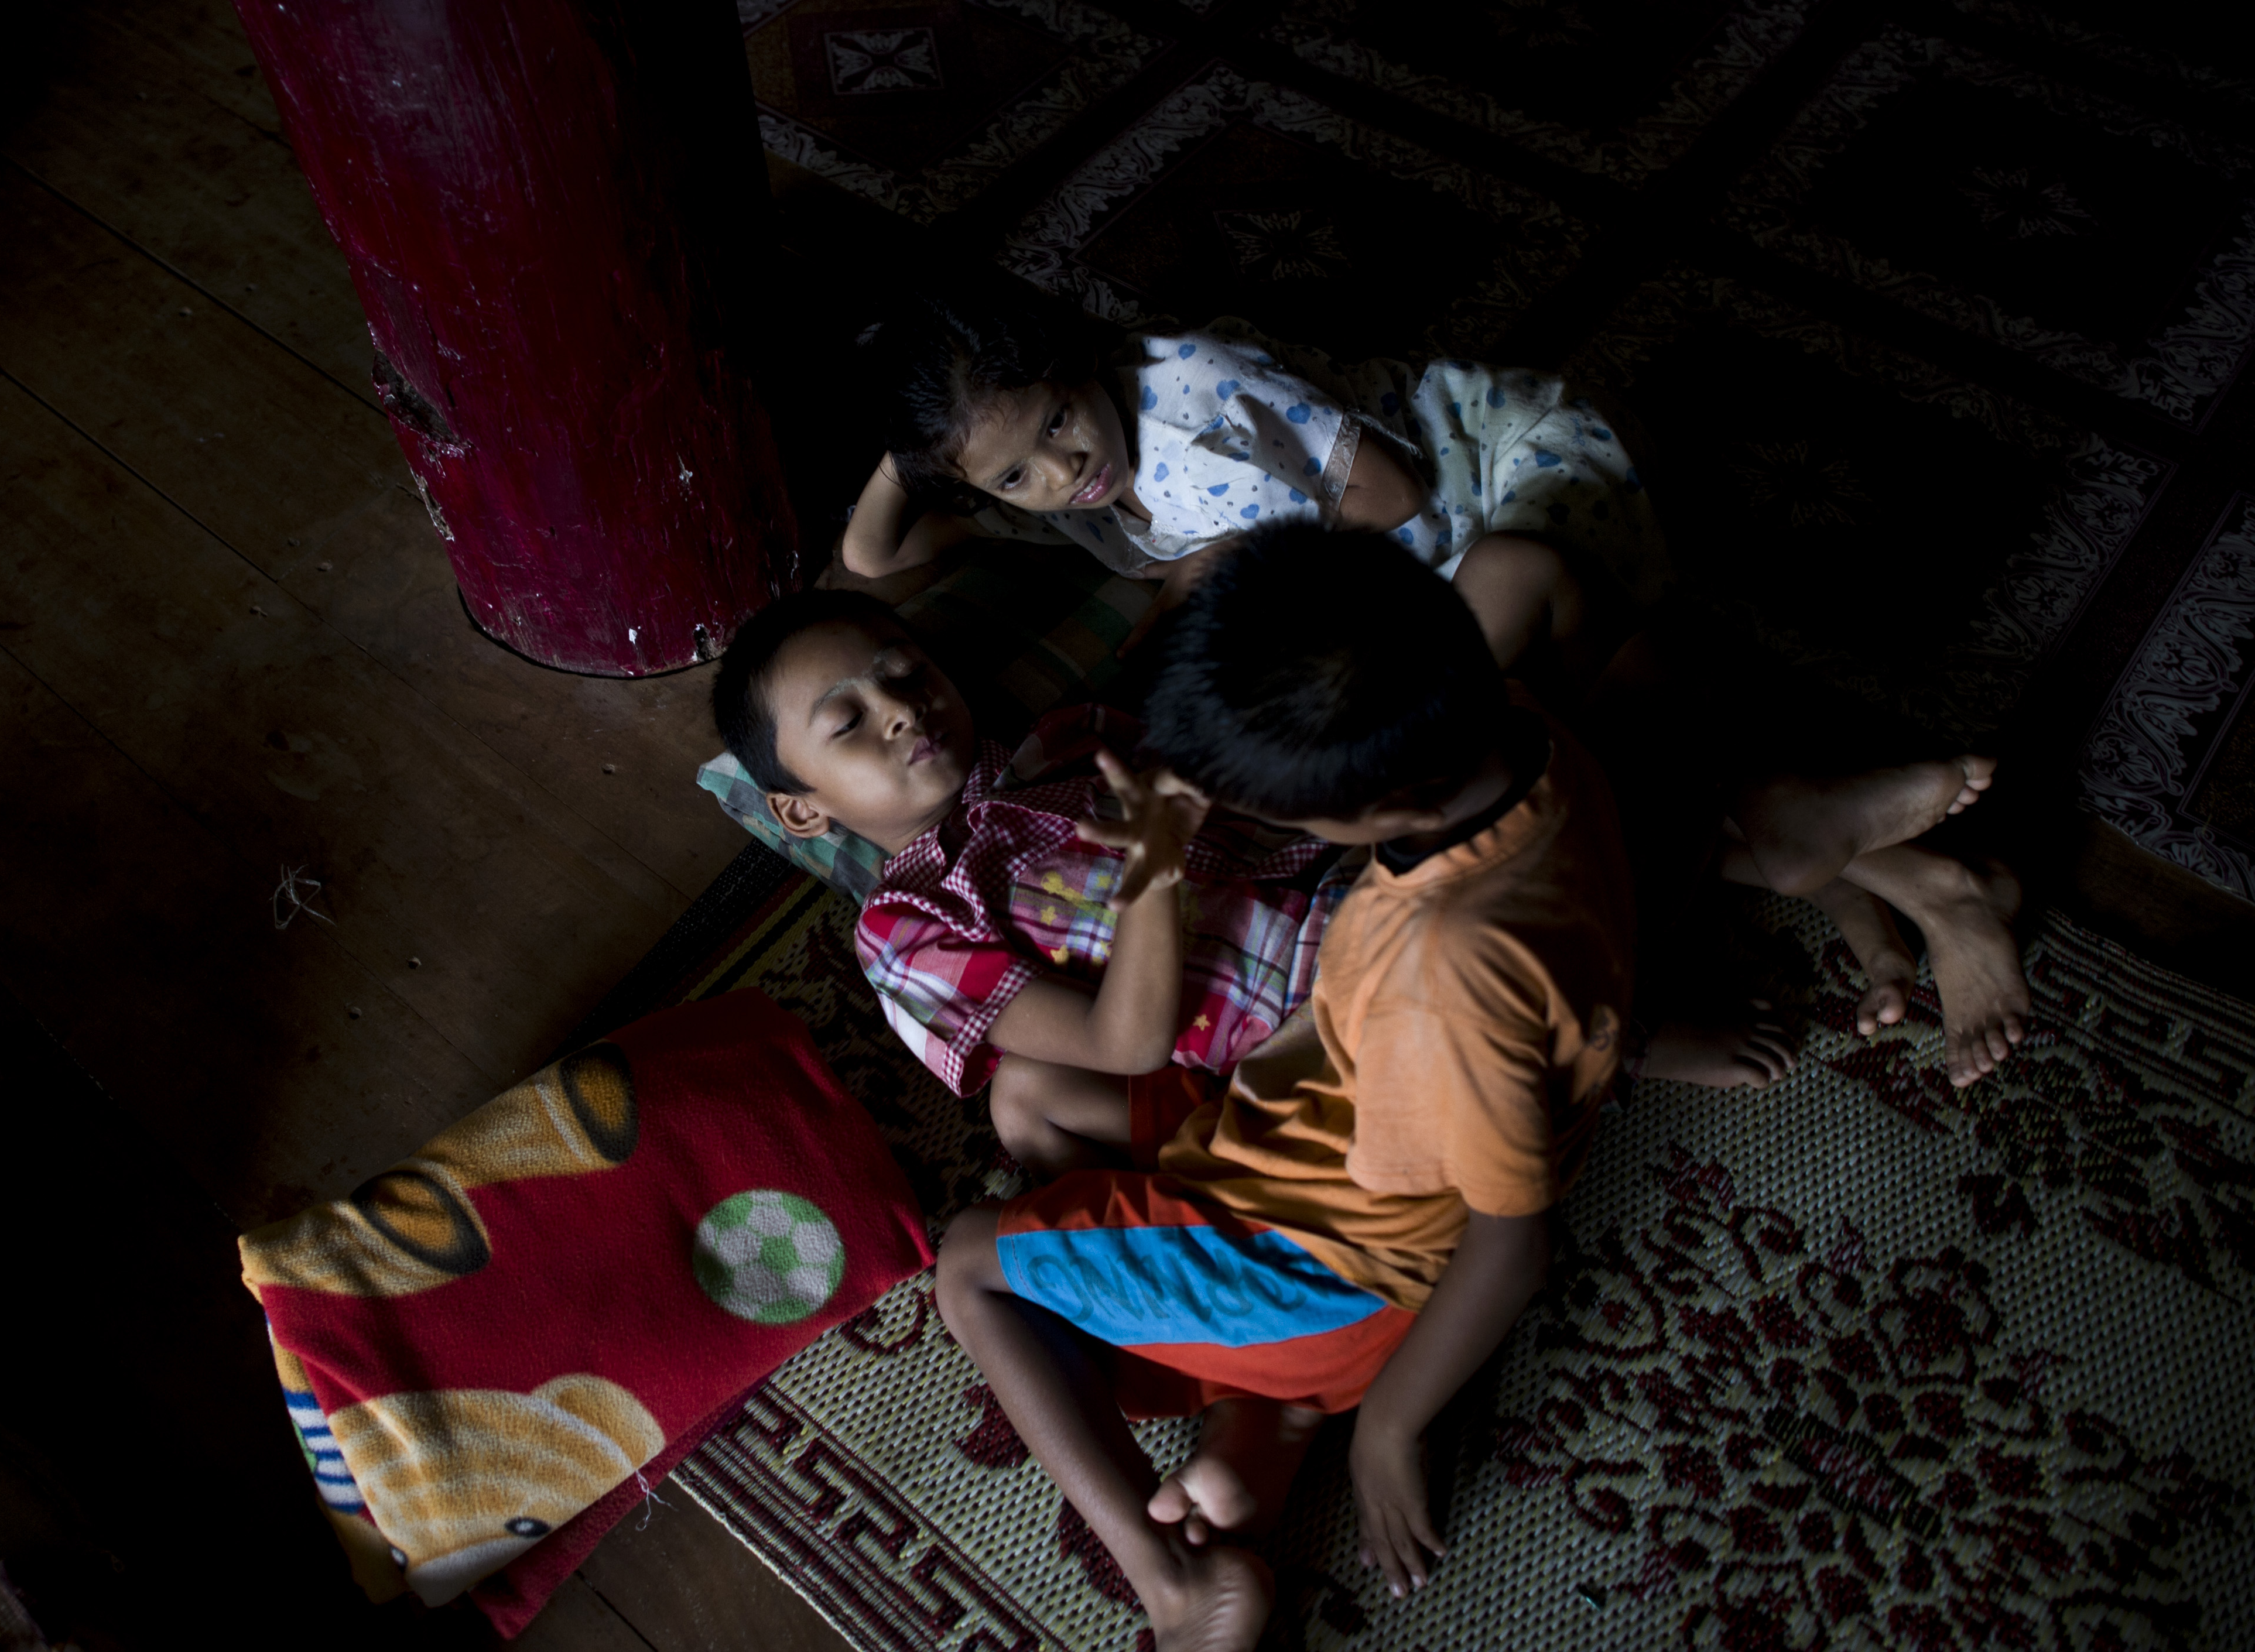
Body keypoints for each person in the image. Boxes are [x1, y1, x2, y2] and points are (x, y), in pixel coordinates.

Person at [925, 525, 2028, 1650]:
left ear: (1382, 814)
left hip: (1328, 1270)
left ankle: (1176, 1573)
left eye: (1281, 816)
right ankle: (1263, 1414)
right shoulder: (1512, 728)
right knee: (1030, 1095)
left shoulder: (1439, 974)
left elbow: (1506, 1241)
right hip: (1311, 1148)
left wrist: (1391, 1431)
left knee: (969, 1263)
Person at [709, 586, 1358, 1175]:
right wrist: (1152, 870)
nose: (901, 708)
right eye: (847, 722)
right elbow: (1123, 1042)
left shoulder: (1069, 740)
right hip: (1293, 1030)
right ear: (800, 808)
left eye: (907, 673)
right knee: (1020, 1090)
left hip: (1348, 885)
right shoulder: (905, 928)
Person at [836, 287, 1664, 684]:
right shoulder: (1054, 501)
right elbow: (873, 553)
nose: (1066, 470)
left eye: (1059, 419)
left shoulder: (1196, 392)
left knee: (1478, 698)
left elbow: (1394, 497)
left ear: (1077, 362)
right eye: (1017, 474)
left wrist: (1231, 559)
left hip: (1483, 461)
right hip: (1404, 562)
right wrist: (916, 449)